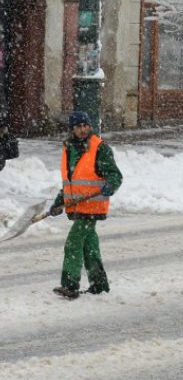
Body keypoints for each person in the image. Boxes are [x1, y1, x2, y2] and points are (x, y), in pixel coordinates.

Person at [49, 111, 123, 300]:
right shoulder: (68, 149)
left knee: (73, 243)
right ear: (72, 129)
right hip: (78, 206)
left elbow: (115, 175)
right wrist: (59, 203)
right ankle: (98, 284)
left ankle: (70, 286)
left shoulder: (99, 148)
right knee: (89, 246)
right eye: (78, 126)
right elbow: (70, 183)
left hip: (92, 207)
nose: (83, 129)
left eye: (85, 125)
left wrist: (110, 186)